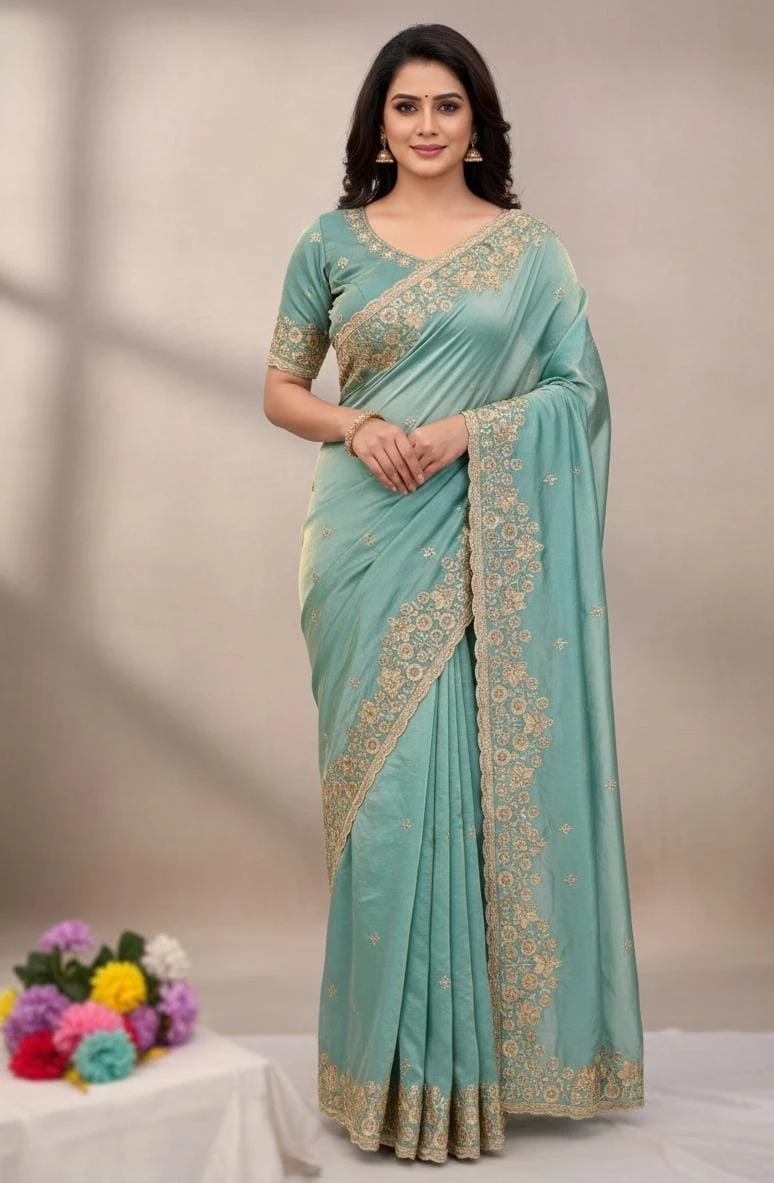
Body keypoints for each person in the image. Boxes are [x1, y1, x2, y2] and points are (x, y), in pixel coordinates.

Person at [263, 22, 645, 1164]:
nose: (426, 126)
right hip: (363, 543)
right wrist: (359, 423)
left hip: (477, 533)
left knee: (460, 793)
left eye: (446, 105)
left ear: (478, 122)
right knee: (386, 807)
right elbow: (282, 388)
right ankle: (382, 1079)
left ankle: (461, 1080)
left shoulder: (531, 253)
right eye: (405, 107)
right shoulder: (329, 241)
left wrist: (466, 431)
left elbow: (577, 393)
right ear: (377, 126)